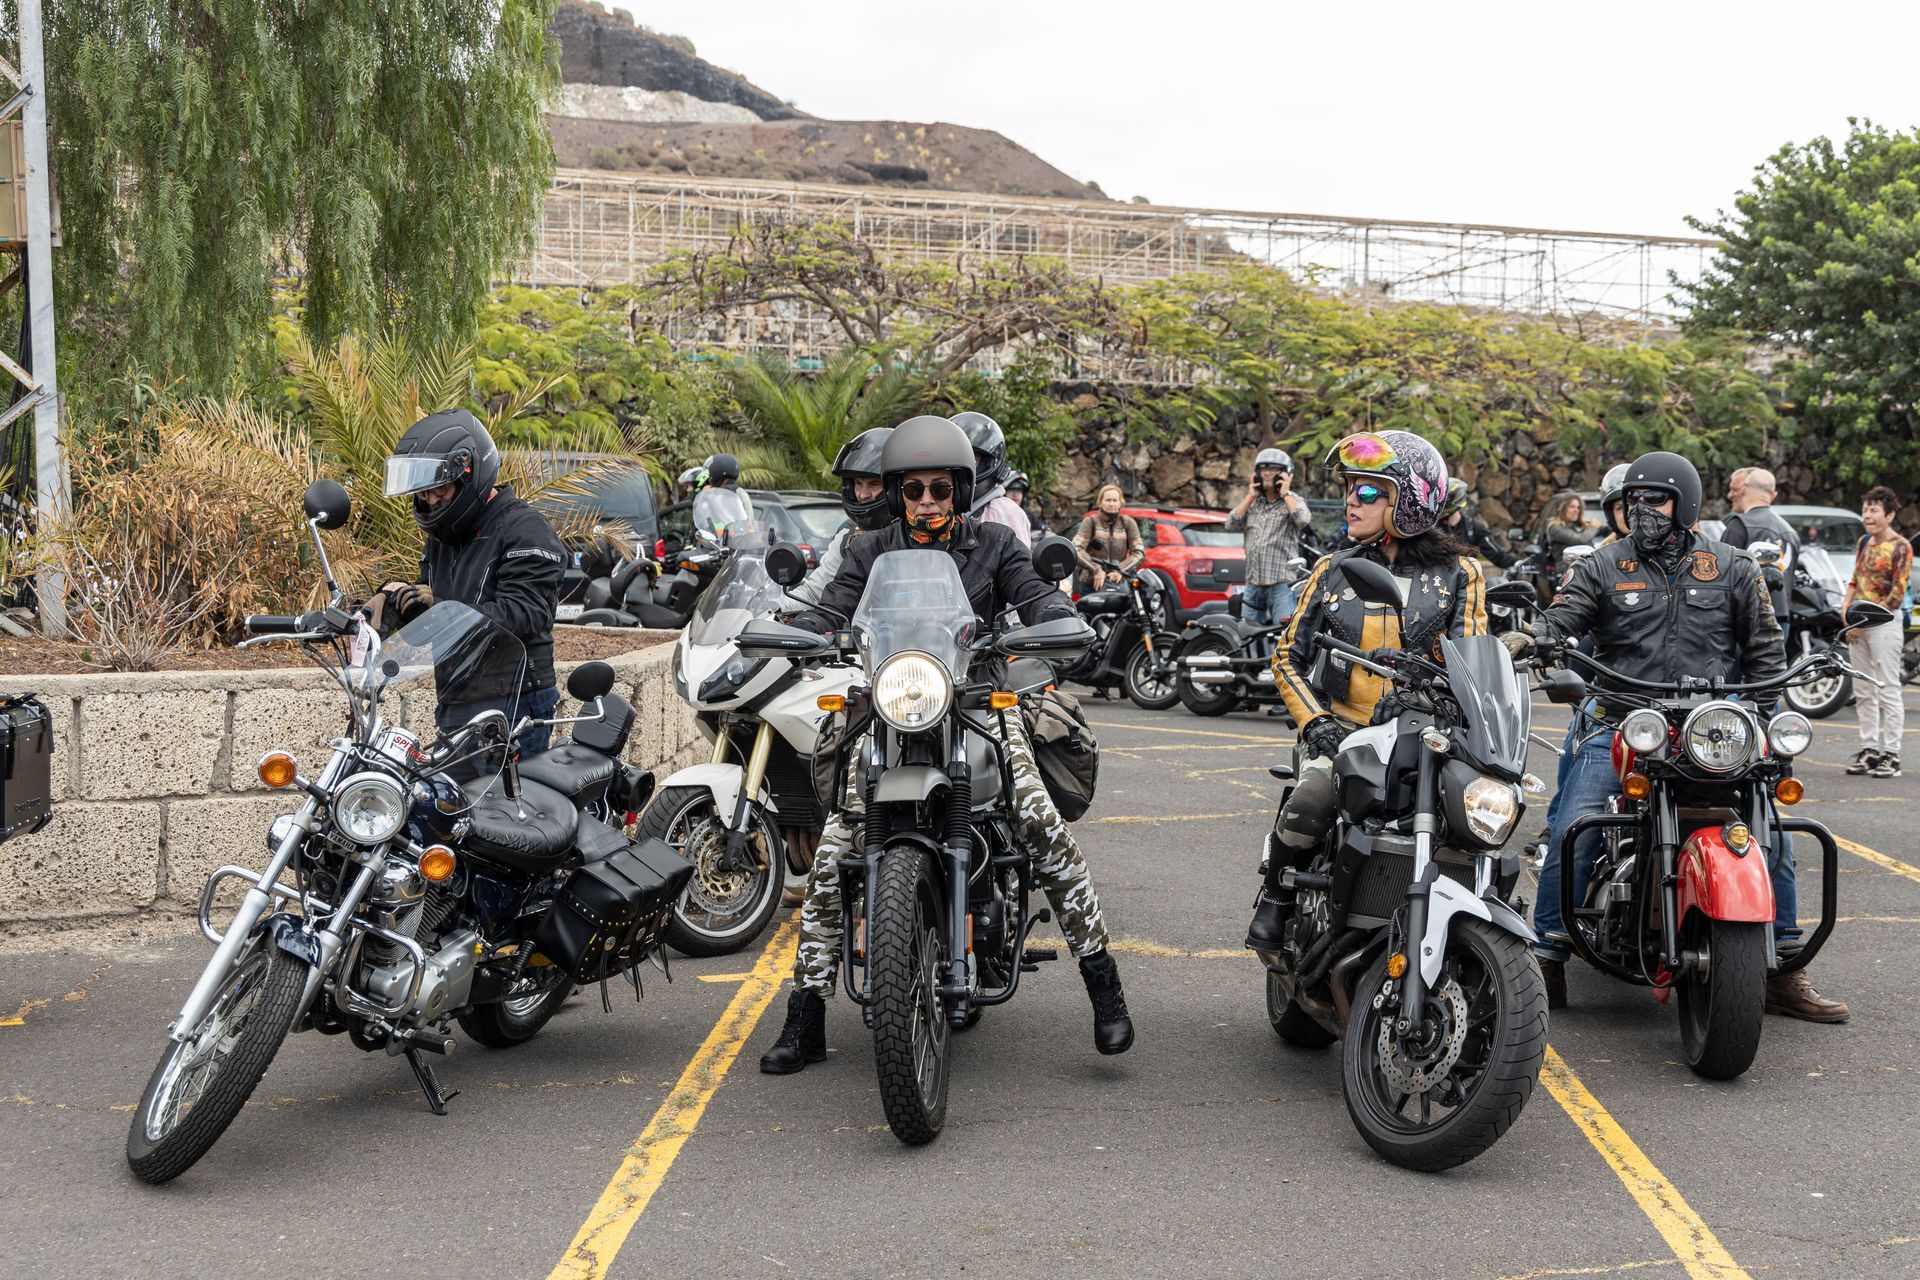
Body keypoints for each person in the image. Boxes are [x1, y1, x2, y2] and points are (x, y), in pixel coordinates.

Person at [758, 415, 1134, 1072]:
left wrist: (1060, 623)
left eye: (939, 488)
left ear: (959, 490)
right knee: (832, 853)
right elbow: (835, 608)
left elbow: (1037, 597)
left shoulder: (994, 543)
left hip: (976, 698)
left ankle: (1105, 990)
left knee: (1045, 831)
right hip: (892, 702)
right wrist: (800, 630)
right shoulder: (870, 549)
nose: (926, 501)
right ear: (897, 493)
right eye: (913, 490)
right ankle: (806, 1016)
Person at [1510, 451, 1847, 1022]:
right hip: (1623, 719)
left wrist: (1762, 722)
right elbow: (1562, 617)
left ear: (1684, 504)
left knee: (1771, 832)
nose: (1643, 511)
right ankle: (1546, 954)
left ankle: (1784, 966)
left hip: (1707, 727)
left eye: (1656, 500)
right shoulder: (1602, 565)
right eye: (1634, 501)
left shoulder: (1733, 566)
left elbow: (1766, 651)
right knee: (1575, 824)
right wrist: (1528, 639)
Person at [1246, 429, 1488, 950]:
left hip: (1425, 737)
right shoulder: (1332, 570)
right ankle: (1276, 898)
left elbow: (1475, 664)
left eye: (1370, 490)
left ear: (1411, 499)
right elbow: (1287, 656)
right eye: (1351, 488)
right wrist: (1318, 723)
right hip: (1346, 732)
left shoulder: (1460, 574)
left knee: (1482, 813)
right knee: (1312, 794)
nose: (1352, 500)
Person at [376, 409, 567, 756]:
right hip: (457, 695)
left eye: (440, 489)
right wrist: (404, 605)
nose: (429, 500)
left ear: (470, 474)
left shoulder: (524, 529)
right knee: (453, 806)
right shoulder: (446, 535)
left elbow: (528, 612)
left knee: (504, 810)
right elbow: (435, 598)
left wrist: (449, 613)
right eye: (422, 492)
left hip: (514, 701)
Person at [1841, 485, 1911, 779]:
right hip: (1859, 623)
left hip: (1884, 623)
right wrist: (1846, 614)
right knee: (1863, 689)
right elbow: (1855, 581)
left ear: (1890, 514)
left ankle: (1891, 755)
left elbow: (1898, 591)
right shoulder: (1863, 542)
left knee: (1887, 687)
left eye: (1874, 510)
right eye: (1865, 509)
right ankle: (1869, 749)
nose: (1867, 515)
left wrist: (1862, 620)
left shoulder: (1900, 546)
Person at [785, 427, 892, 609]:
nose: (863, 494)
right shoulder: (850, 535)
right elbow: (814, 592)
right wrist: (772, 612)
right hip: (855, 632)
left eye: (873, 484)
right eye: (858, 484)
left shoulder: (917, 533)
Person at [1224, 447, 1313, 626]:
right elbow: (1230, 524)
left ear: (1285, 475)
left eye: (1273, 469)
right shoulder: (1253, 503)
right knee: (1248, 636)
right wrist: (1249, 496)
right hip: (1252, 585)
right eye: (1263, 469)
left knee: (1283, 637)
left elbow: (1302, 520)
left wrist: (1285, 493)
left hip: (1281, 586)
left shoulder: (1293, 501)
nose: (1266, 474)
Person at [1721, 467, 1801, 632]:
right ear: (1773, 495)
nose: (1730, 495)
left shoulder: (1739, 525)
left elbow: (1723, 577)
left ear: (1744, 489)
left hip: (1748, 619)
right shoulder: (1791, 532)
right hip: (1781, 620)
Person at [953, 411, 1032, 549]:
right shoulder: (938, 507)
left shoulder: (1004, 512)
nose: (963, 465)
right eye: (955, 456)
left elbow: (1018, 567)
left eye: (973, 459)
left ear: (989, 463)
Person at [1072, 485, 1144, 596]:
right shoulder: (1090, 522)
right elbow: (1075, 549)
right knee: (1087, 613)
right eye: (1108, 500)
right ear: (1100, 502)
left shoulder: (1128, 523)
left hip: (1119, 584)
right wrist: (1096, 569)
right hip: (1090, 584)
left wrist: (1120, 570)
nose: (1111, 504)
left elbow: (1139, 553)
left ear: (1120, 502)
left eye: (1115, 500)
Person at [1439, 478, 1519, 570]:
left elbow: (1497, 555)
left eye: (1443, 500)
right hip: (1435, 580)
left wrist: (1517, 563)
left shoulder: (1474, 528)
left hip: (1464, 580)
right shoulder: (1431, 526)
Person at [1004, 470, 1044, 536]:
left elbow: (1045, 533)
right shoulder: (995, 515)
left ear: (1024, 496)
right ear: (1004, 493)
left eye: (1019, 490)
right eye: (1011, 490)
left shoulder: (1029, 516)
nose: (1015, 495)